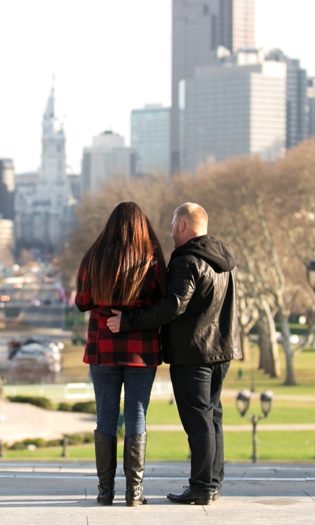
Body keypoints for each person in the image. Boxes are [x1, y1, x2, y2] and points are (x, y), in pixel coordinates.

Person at [107, 202, 240, 506]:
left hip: (193, 352)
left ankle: (202, 486)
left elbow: (173, 305)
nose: (168, 233)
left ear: (183, 226)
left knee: (198, 421)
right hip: (222, 349)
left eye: (171, 226)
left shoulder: (186, 261)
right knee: (212, 417)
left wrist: (128, 322)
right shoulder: (224, 258)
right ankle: (212, 482)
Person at [75, 201, 166, 507]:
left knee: (106, 416)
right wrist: (136, 309)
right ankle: (135, 492)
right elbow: (161, 302)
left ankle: (104, 491)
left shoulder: (95, 256)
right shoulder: (150, 259)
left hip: (103, 347)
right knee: (136, 416)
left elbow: (82, 301)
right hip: (141, 349)